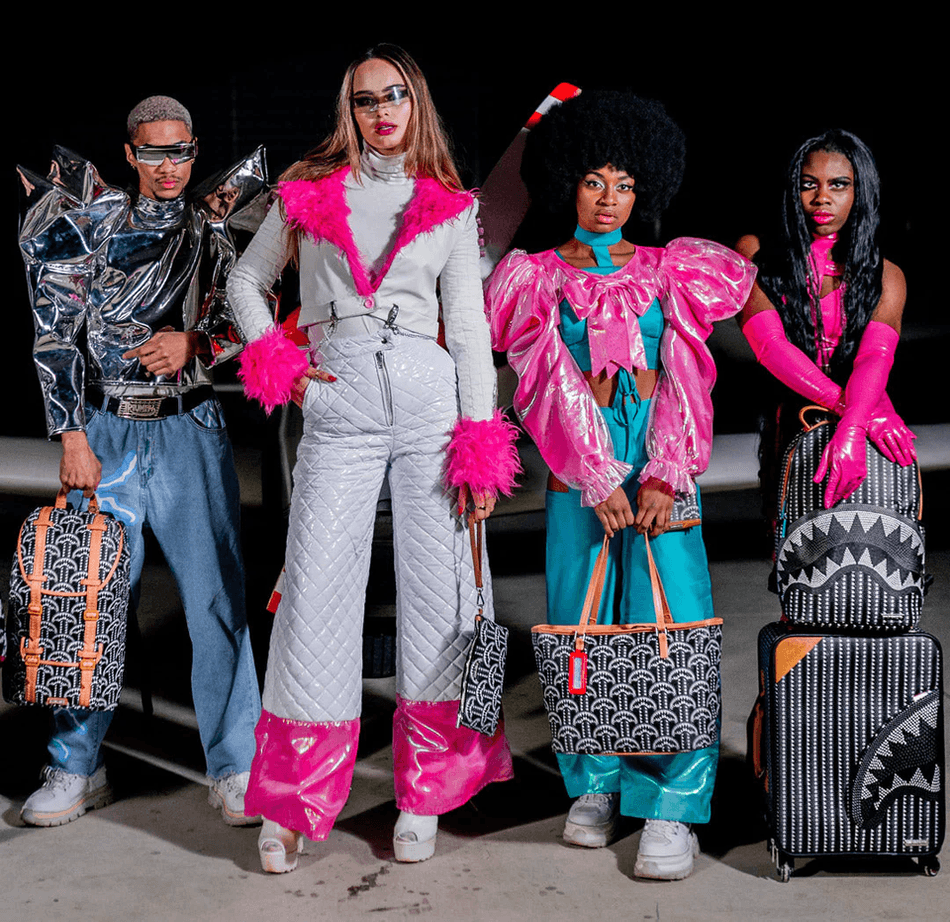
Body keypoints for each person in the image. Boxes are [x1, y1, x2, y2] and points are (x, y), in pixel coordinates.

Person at [226, 44, 518, 874]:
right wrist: (280, 363)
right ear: (348, 111)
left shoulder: (450, 206)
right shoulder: (307, 193)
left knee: (443, 597)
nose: (382, 111)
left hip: (431, 408)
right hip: (340, 404)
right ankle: (291, 801)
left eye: (395, 95)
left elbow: (469, 331)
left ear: (415, 102)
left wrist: (479, 444)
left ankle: (426, 793)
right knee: (313, 597)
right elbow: (246, 284)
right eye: (366, 99)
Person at [485, 90, 755, 881]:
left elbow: (689, 373)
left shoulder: (671, 270)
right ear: (567, 181)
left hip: (663, 467)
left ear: (646, 189)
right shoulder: (533, 277)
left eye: (626, 183)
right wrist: (594, 474)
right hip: (580, 471)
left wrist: (667, 470)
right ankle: (596, 782)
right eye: (595, 180)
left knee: (675, 622)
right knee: (581, 625)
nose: (610, 197)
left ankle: (673, 801)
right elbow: (540, 380)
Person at [16, 96, 265, 827]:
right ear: (129, 153)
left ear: (194, 150)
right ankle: (74, 765)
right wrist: (70, 435)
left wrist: (197, 343)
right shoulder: (90, 221)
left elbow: (252, 306)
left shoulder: (213, 224)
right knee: (84, 592)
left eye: (179, 151)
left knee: (217, 599)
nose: (168, 166)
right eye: (153, 152)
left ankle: (236, 763)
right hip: (106, 430)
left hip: (189, 425)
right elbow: (55, 330)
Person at [735, 129, 916, 516]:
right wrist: (859, 415)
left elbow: (875, 356)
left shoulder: (887, 275)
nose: (822, 198)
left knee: (875, 531)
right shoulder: (755, 252)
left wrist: (854, 422)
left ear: (859, 190)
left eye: (838, 184)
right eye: (808, 184)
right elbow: (770, 346)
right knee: (796, 537)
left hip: (866, 409)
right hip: (799, 417)